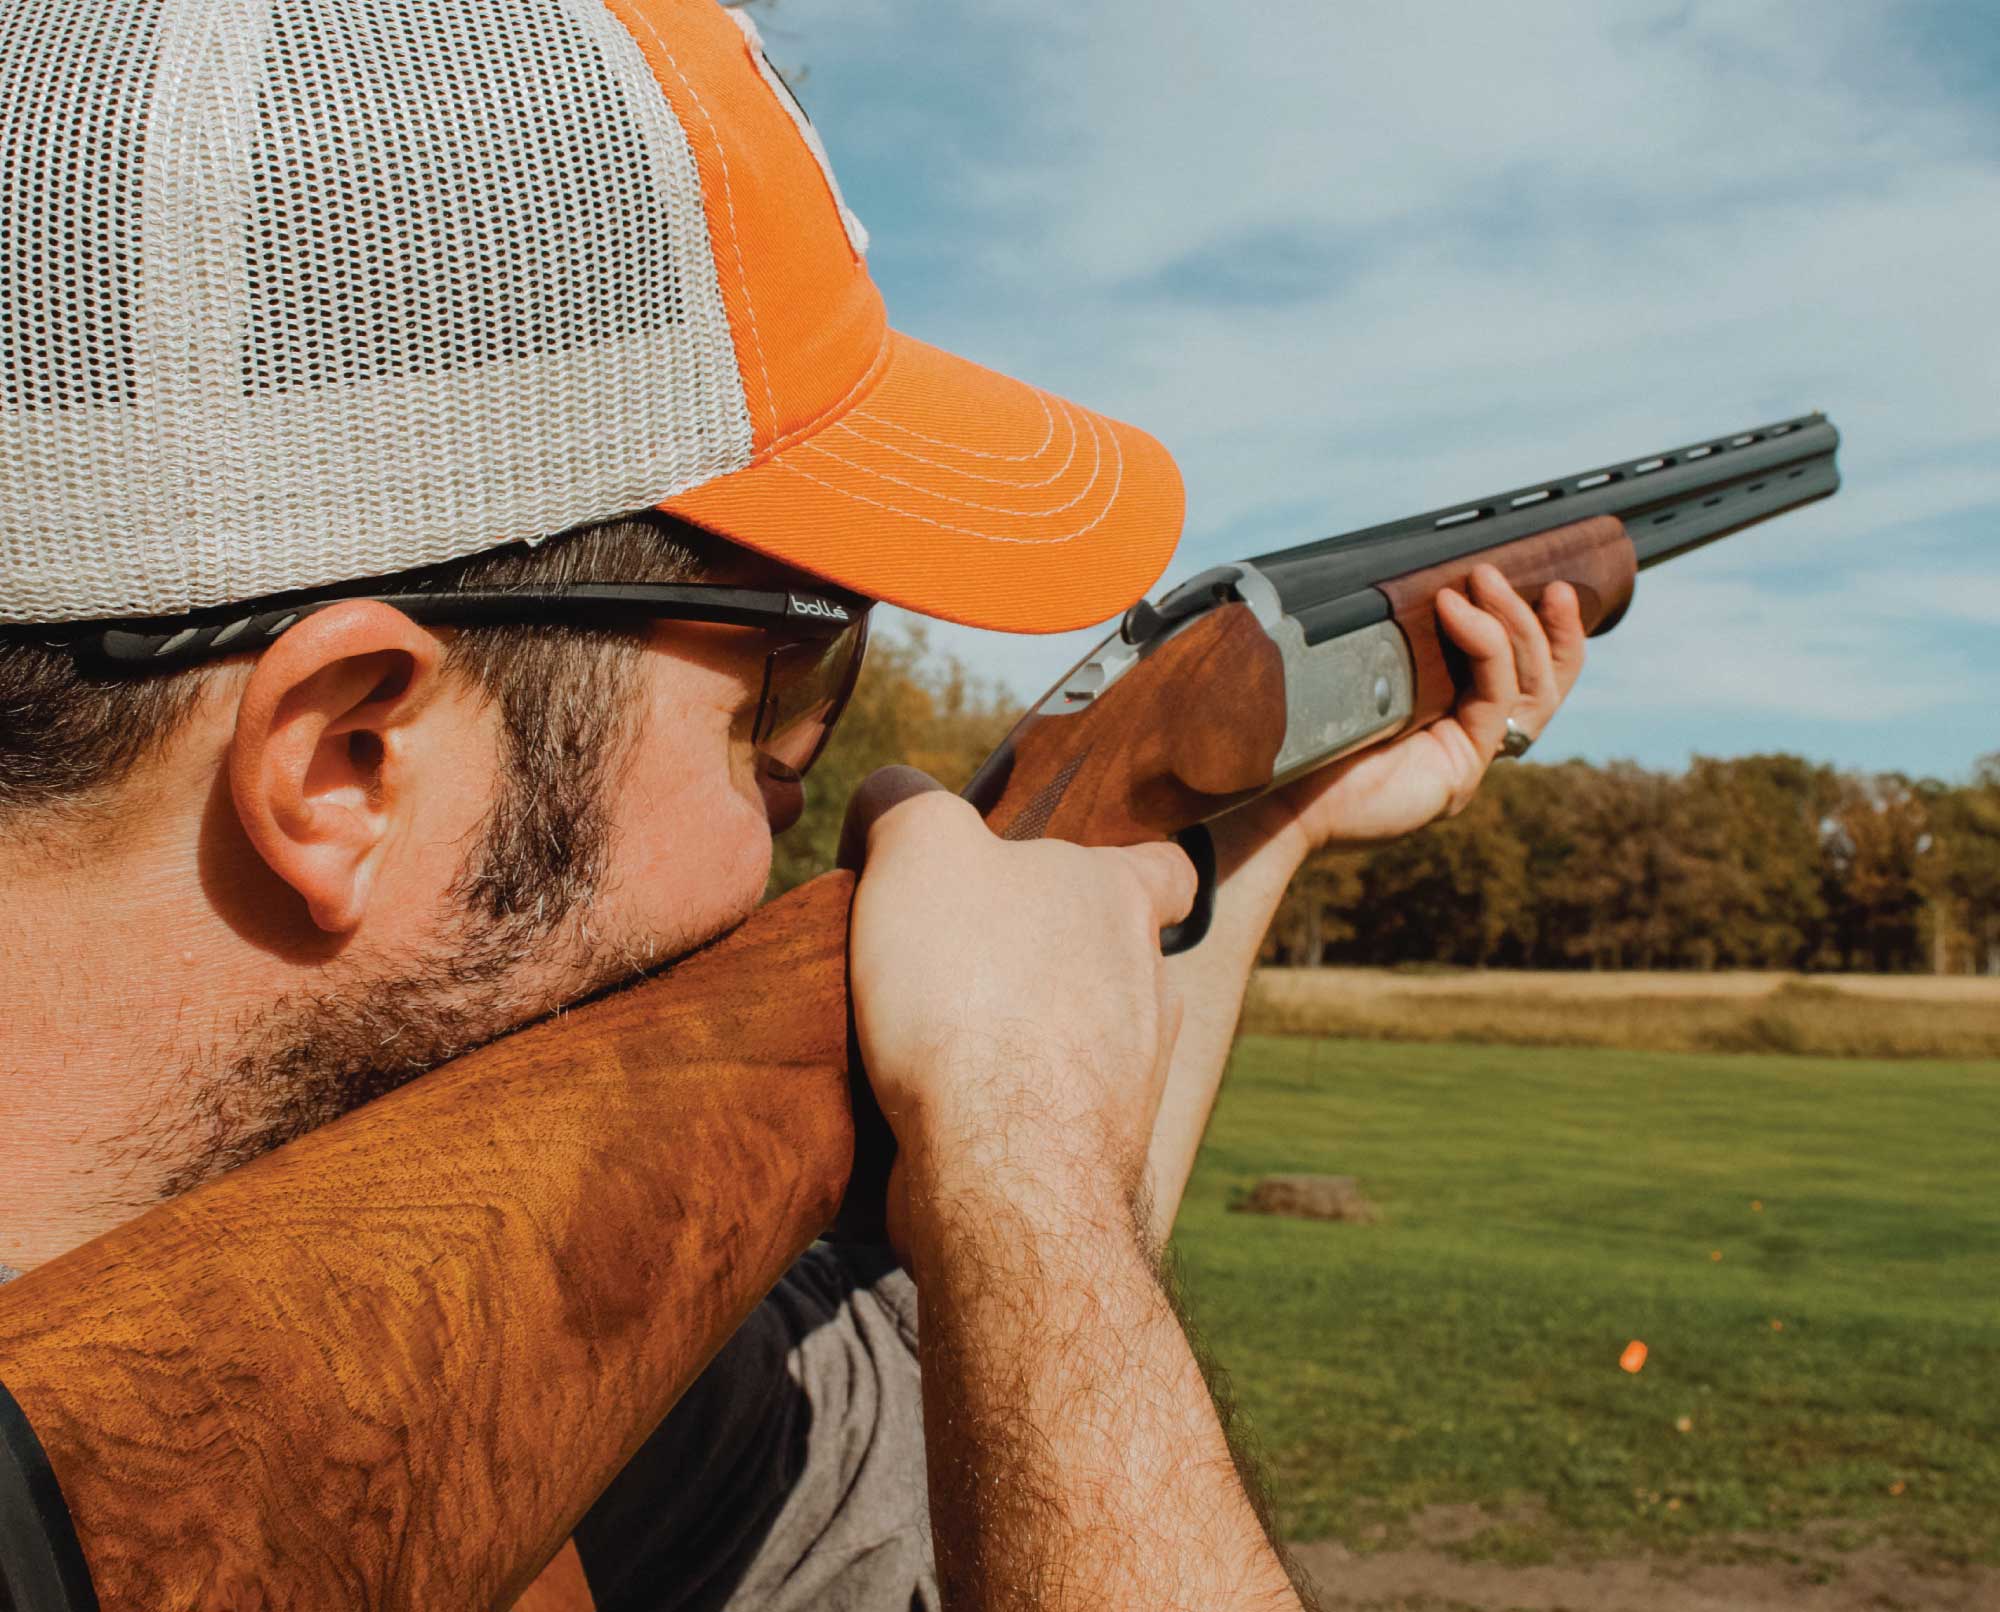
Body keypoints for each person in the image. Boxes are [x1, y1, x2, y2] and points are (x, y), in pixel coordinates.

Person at [0, 1, 1585, 1608]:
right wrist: (1022, 1146)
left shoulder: (394, 1363)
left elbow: (911, 1450)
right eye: (790, 694)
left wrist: (1241, 827)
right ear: (350, 759)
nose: (795, 814)